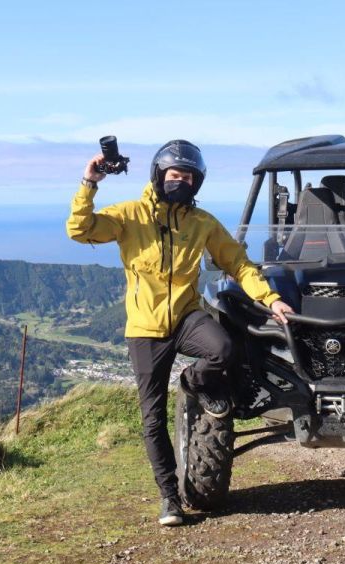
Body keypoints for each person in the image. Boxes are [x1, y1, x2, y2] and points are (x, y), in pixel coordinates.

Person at [67, 139, 293, 527]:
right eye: (174, 175)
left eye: (188, 177)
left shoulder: (201, 223)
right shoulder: (130, 215)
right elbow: (80, 229)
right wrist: (90, 182)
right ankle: (170, 499)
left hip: (186, 317)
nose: (181, 182)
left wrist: (270, 299)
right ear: (158, 175)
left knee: (223, 348)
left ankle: (192, 382)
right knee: (152, 419)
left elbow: (237, 263)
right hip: (144, 329)